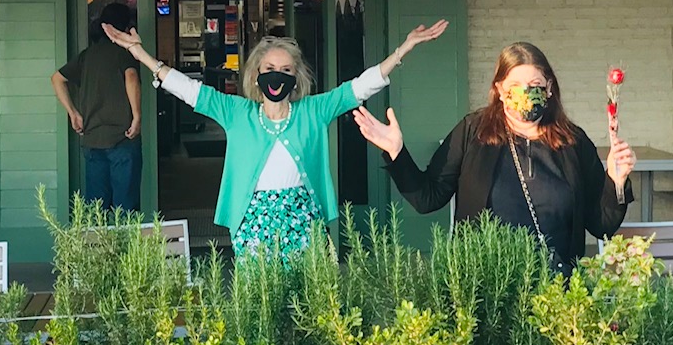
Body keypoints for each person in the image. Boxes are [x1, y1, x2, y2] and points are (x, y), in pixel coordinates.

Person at [104, 18, 449, 258]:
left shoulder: (313, 111)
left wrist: (403, 50)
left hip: (304, 218)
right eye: (269, 69)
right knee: (260, 303)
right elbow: (189, 90)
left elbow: (359, 87)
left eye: (286, 70)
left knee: (305, 304)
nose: (277, 76)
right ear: (256, 74)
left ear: (296, 78)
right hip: (252, 220)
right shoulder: (237, 113)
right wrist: (141, 55)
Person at [353, 41, 636, 273]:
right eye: (515, 85)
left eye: (535, 84)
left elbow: (602, 224)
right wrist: (397, 153)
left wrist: (616, 180)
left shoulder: (572, 141)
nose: (526, 93)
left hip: (556, 293)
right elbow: (428, 197)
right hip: (486, 289)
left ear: (549, 88)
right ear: (500, 90)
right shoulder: (473, 131)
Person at [52, 2, 142, 212]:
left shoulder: (87, 56)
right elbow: (131, 77)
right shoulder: (124, 53)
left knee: (96, 211)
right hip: (122, 139)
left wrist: (73, 113)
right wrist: (137, 116)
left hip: (92, 141)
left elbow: (56, 79)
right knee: (125, 210)